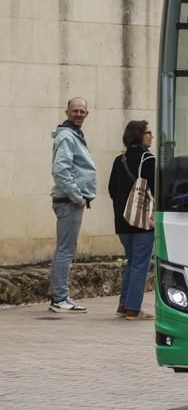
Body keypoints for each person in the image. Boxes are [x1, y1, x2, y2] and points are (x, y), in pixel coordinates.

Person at [49, 97, 97, 314]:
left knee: (65, 249)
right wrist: (77, 197)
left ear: (87, 114)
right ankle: (59, 299)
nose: (79, 114)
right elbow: (61, 171)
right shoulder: (67, 136)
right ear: (67, 112)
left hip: (71, 200)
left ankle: (60, 297)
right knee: (66, 250)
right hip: (69, 201)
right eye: (75, 110)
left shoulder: (73, 135)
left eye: (82, 111)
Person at [107, 120, 156, 321]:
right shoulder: (148, 159)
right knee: (140, 264)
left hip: (122, 220)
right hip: (142, 220)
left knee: (132, 262)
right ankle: (134, 309)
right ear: (139, 135)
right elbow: (156, 189)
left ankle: (124, 305)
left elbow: (111, 189)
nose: (151, 136)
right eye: (148, 132)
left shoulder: (119, 160)